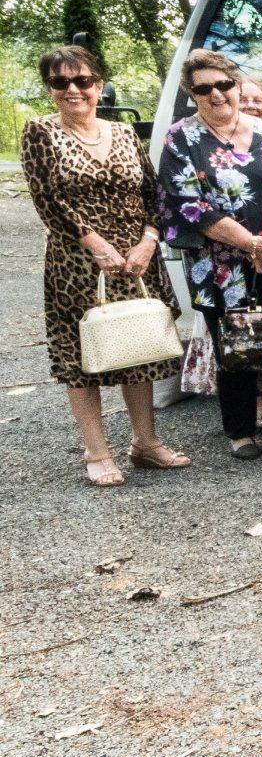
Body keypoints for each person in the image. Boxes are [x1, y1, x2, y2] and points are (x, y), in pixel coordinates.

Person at [22, 46, 189, 485]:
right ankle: (96, 451)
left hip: (137, 259)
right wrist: (96, 245)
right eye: (61, 82)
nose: (73, 90)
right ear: (50, 89)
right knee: (83, 355)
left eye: (82, 81)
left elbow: (153, 194)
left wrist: (148, 242)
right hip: (77, 260)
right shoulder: (39, 132)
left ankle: (145, 443)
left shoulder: (124, 133)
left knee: (139, 346)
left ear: (99, 85)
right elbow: (47, 200)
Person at [157, 49, 262, 459]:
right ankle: (240, 430)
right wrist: (249, 244)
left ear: (236, 84)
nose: (217, 94)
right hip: (220, 263)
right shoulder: (182, 137)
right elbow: (187, 204)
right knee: (232, 345)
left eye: (224, 84)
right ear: (192, 94)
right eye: (204, 88)